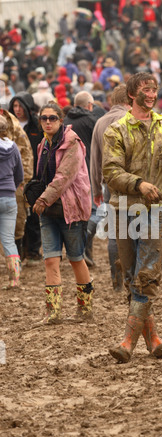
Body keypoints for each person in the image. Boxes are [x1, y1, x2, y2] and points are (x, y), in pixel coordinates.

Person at [102, 72, 162, 363]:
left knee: (146, 276)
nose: (151, 94)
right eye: (145, 89)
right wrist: (139, 184)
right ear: (132, 94)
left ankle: (127, 342)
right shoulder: (116, 131)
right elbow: (110, 172)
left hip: (159, 212)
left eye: (154, 89)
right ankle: (154, 341)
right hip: (124, 211)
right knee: (133, 278)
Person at [32, 101, 93, 325]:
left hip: (71, 209)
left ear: (61, 120)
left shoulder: (72, 143)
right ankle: (53, 313)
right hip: (48, 210)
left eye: (52, 118)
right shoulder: (43, 145)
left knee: (76, 259)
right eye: (44, 118)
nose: (48, 122)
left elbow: (64, 177)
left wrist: (43, 198)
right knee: (50, 260)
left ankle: (85, 309)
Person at [90, 84, 131, 291]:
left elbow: (94, 159)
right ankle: (133, 278)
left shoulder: (100, 122)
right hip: (134, 183)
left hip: (110, 185)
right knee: (137, 230)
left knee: (115, 233)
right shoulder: (132, 119)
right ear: (130, 100)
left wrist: (96, 189)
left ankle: (117, 281)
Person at [64, 91, 101, 267]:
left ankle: (81, 251)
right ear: (89, 105)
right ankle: (82, 245)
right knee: (94, 212)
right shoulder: (92, 121)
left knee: (78, 212)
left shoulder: (64, 122)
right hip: (89, 172)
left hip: (69, 174)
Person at [8, 92, 44, 265]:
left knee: (32, 216)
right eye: (15, 106)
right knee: (17, 217)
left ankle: (33, 251)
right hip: (14, 178)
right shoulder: (9, 125)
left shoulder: (37, 126)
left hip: (34, 175)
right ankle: (20, 252)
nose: (17, 110)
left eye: (20, 106)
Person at [0, 115, 24, 289]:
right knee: (9, 240)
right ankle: (14, 280)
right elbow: (20, 175)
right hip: (9, 197)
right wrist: (11, 188)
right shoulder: (13, 146)